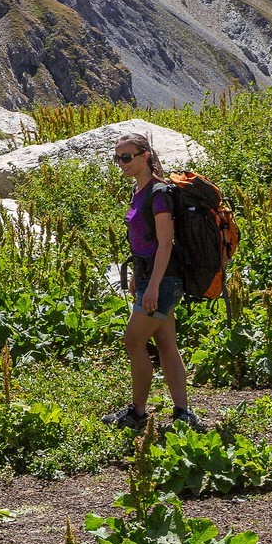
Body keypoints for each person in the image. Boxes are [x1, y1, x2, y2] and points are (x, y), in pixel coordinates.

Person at [100, 132, 204, 430]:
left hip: (164, 280)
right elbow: (142, 241)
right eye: (118, 157)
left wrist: (154, 286)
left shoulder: (159, 193)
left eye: (127, 157)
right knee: (166, 343)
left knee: (133, 341)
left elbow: (165, 244)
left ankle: (138, 412)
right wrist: (137, 275)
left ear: (145, 156)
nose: (121, 163)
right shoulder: (139, 189)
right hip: (150, 276)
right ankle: (183, 413)